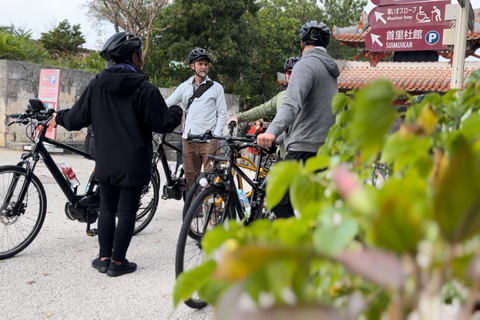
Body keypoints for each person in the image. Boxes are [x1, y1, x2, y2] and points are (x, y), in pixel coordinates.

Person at [47, 32, 183, 277]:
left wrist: (59, 117)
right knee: (127, 211)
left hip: (106, 160)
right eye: (140, 53)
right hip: (134, 160)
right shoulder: (145, 88)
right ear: (133, 56)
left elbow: (77, 118)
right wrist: (176, 112)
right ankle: (118, 263)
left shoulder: (97, 84)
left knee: (107, 208)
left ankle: (103, 258)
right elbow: (162, 122)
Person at [257, 21, 340, 218]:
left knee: (275, 196)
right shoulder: (330, 70)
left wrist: (271, 131)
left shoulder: (305, 65)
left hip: (304, 148)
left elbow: (290, 103)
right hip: (323, 150)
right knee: (310, 207)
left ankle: (298, 242)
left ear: (302, 43)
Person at [165, 48, 228, 194]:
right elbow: (167, 103)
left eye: (206, 64)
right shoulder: (184, 87)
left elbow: (222, 114)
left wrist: (215, 137)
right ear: (192, 66)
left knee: (212, 179)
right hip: (189, 140)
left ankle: (214, 213)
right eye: (200, 64)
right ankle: (195, 212)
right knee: (190, 180)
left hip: (209, 141)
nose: (204, 67)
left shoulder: (216, 88)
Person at [228, 56, 301, 158]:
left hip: (300, 151)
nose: (292, 75)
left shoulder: (307, 96)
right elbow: (262, 110)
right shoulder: (281, 96)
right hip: (283, 152)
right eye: (289, 72)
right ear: (286, 75)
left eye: (296, 72)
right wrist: (239, 117)